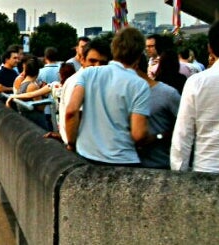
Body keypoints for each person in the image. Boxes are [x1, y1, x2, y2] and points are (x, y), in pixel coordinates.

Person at [65, 27, 150, 165]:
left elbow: (71, 111)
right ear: (139, 56)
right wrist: (158, 136)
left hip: (87, 154)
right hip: (123, 159)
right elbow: (138, 134)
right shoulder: (139, 85)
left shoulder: (88, 73)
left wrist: (71, 143)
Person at [171, 21, 219, 172]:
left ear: (210, 48)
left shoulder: (197, 82)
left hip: (206, 171)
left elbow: (183, 135)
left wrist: (179, 176)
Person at [135, 54, 180, 169]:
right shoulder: (124, 94)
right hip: (130, 166)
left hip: (160, 166)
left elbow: (183, 129)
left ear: (134, 66)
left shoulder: (168, 94)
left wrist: (157, 136)